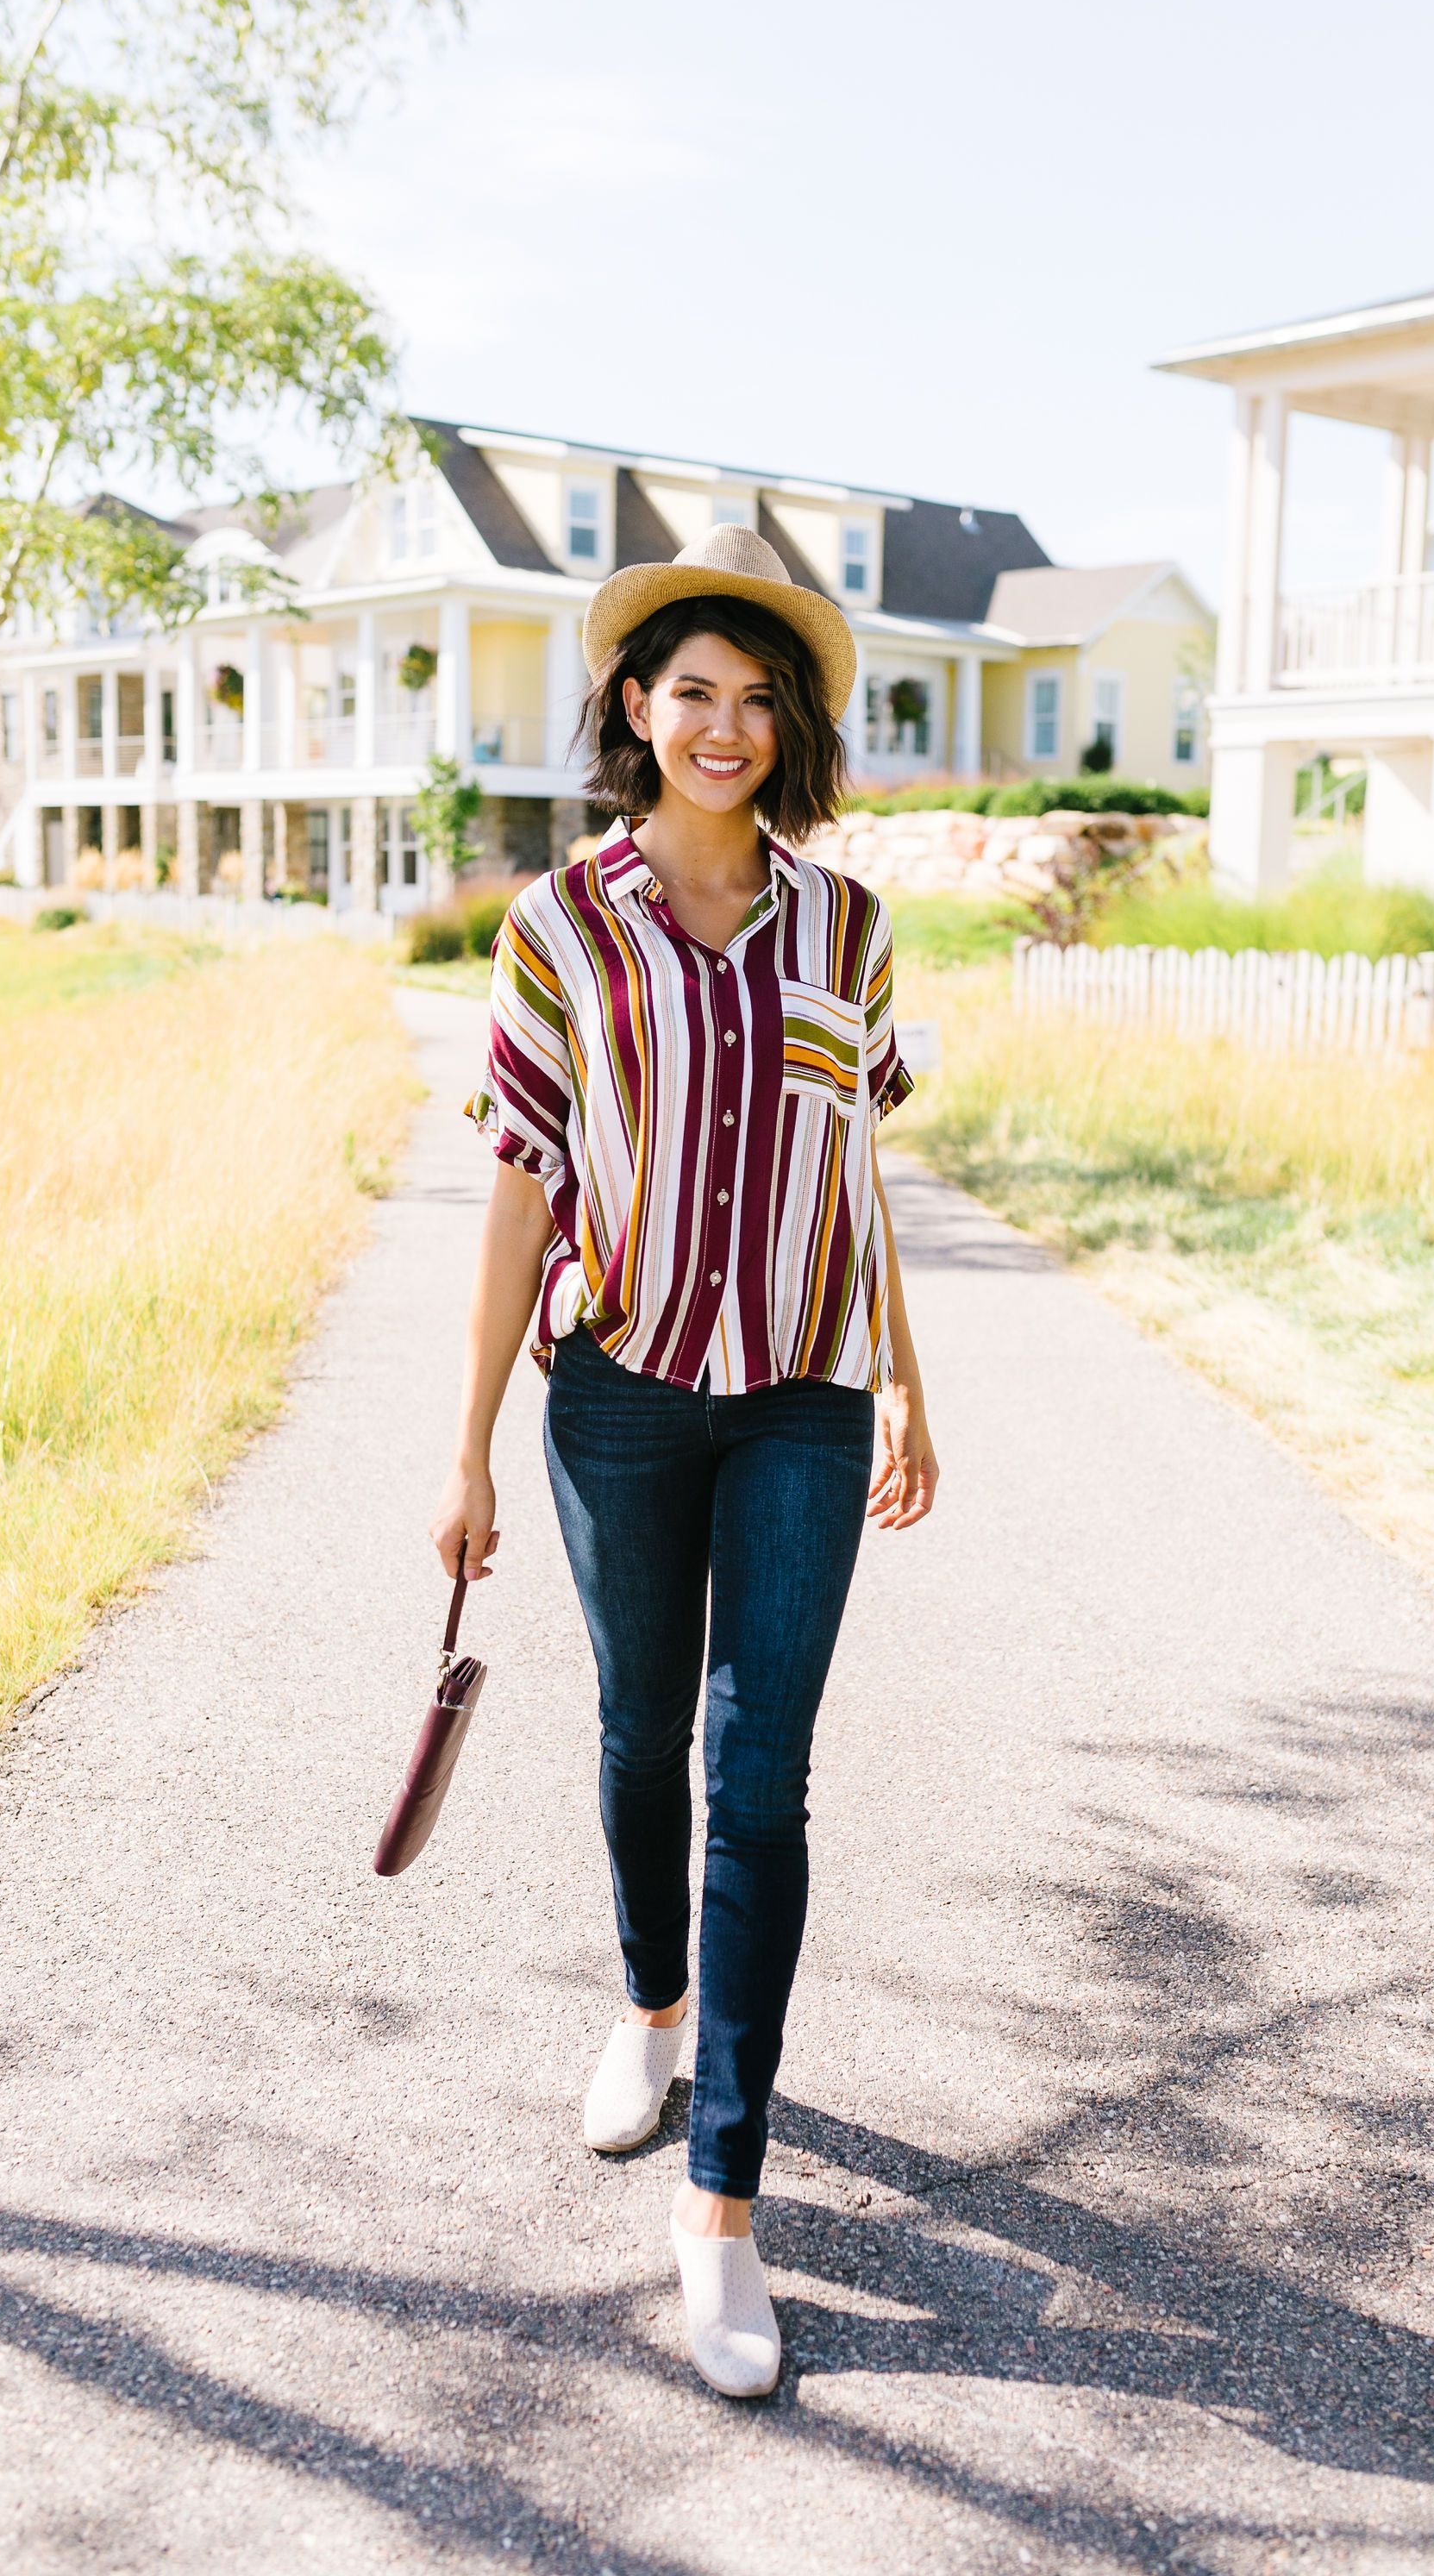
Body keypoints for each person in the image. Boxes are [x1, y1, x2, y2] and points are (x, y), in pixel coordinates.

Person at [430, 523, 938, 2398]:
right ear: (637, 709)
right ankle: (651, 2005)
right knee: (643, 1731)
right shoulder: (558, 926)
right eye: (692, 692)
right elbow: (518, 1190)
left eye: (758, 699)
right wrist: (468, 1448)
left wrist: (909, 1383)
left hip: (805, 1394)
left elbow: (855, 1171)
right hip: (622, 1393)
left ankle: (721, 2205)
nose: (725, 726)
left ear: (788, 726)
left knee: (764, 1776)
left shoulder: (848, 927)